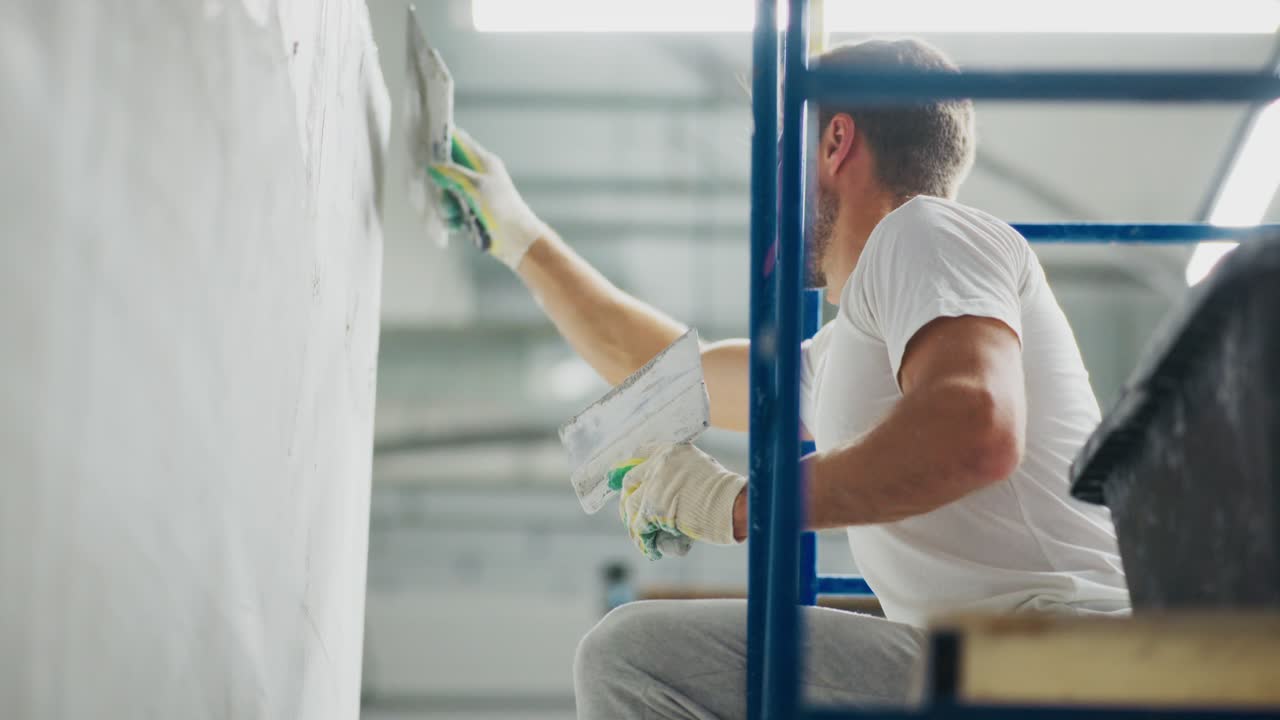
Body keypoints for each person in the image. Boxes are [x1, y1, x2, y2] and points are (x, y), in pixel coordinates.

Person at [428, 37, 1130, 720]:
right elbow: (655, 374)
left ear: (835, 142)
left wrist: (745, 506)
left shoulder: (923, 232)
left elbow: (976, 429)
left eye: (775, 146)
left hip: (1056, 658)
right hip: (987, 671)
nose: (764, 179)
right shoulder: (839, 357)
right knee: (642, 658)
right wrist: (518, 235)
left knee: (633, 658)